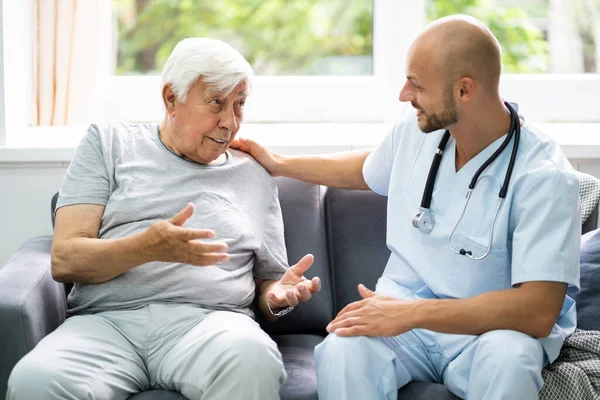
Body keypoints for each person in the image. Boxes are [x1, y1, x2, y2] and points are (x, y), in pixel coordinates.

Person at [231, 15, 580, 400]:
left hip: (489, 331)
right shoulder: (419, 128)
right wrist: (280, 163)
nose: (403, 94)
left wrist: (410, 314)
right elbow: (369, 170)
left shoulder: (544, 176)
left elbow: (537, 311)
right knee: (344, 349)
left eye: (416, 84)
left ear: (464, 90)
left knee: (512, 358)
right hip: (404, 320)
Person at [6, 38, 321, 400]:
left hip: (211, 324)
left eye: (239, 105)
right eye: (216, 102)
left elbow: (268, 281)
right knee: (35, 380)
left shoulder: (255, 174)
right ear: (171, 98)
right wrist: (146, 247)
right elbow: (65, 260)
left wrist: (277, 296)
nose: (229, 122)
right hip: (106, 324)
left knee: (252, 359)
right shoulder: (109, 143)